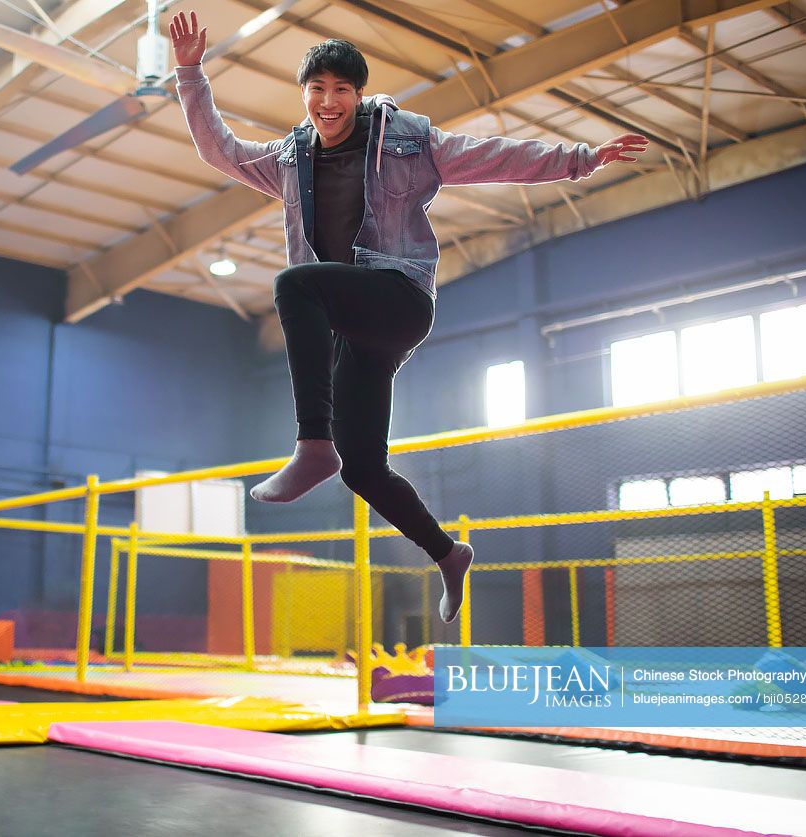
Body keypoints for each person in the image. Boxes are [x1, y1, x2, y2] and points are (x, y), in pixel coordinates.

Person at [169, 11, 647, 623]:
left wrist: (582, 158)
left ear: (359, 95)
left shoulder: (406, 142)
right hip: (352, 325)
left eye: (341, 90)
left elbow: (492, 156)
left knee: (295, 285)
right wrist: (189, 74)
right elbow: (221, 151)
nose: (328, 102)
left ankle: (312, 445)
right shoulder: (290, 159)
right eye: (317, 90)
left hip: (398, 298)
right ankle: (447, 553)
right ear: (305, 97)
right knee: (364, 466)